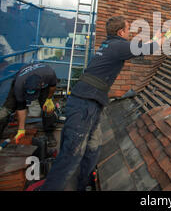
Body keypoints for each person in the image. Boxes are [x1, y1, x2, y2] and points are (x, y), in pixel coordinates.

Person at [40, 16, 164, 191]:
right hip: (84, 104)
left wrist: (155, 37)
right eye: (128, 30)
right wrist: (161, 40)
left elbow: (138, 47)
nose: (129, 33)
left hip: (91, 102)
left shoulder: (109, 44)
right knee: (71, 154)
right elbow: (146, 49)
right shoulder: (118, 45)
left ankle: (83, 185)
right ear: (121, 32)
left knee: (93, 148)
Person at [0, 63, 58, 147]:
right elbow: (21, 107)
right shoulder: (19, 85)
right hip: (21, 82)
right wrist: (21, 129)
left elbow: (52, 87)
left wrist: (49, 99)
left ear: (41, 84)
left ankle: (49, 132)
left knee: (48, 108)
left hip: (42, 83)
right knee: (4, 112)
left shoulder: (49, 74)